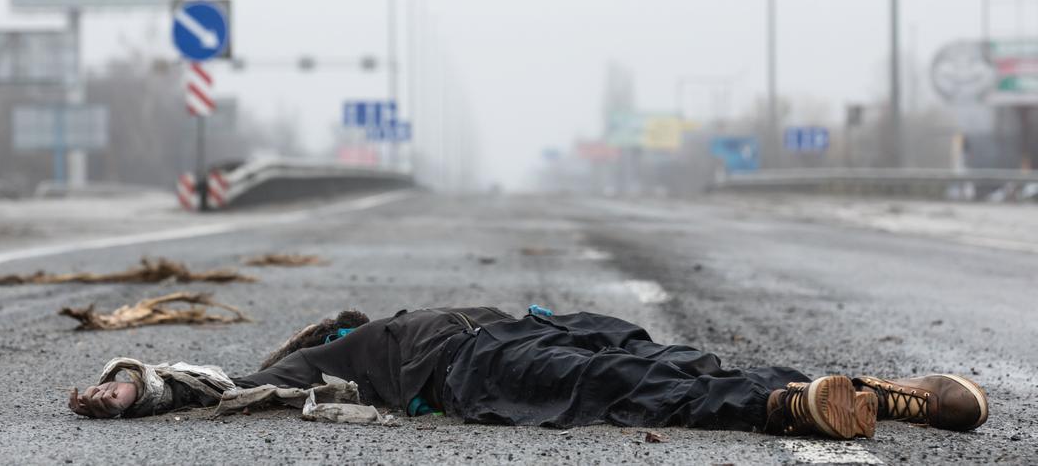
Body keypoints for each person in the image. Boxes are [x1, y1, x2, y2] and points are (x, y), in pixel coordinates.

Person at [68, 306, 988, 440]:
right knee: (636, 391)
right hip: (473, 365)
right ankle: (790, 406)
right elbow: (220, 381)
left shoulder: (382, 316)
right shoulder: (323, 361)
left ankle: (871, 390)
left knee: (675, 357)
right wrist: (135, 384)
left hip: (541, 320)